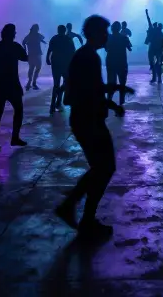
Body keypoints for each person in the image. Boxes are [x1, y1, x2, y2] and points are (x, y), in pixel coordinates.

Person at [56, 14, 133, 238]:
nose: (107, 36)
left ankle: (77, 211)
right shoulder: (88, 57)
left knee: (101, 168)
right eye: (104, 32)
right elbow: (91, 90)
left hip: (87, 118)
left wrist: (114, 95)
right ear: (95, 33)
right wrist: (114, 95)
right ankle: (80, 214)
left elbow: (92, 88)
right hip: (87, 120)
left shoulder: (87, 55)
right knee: (104, 167)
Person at [0, 24, 29, 151]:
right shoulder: (15, 46)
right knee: (18, 109)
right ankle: (15, 137)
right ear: (12, 34)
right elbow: (25, 58)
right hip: (12, 82)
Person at [48, 25, 75, 113]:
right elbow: (73, 51)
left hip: (55, 63)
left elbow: (50, 49)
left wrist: (47, 58)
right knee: (66, 82)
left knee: (56, 83)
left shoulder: (54, 38)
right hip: (65, 64)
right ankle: (58, 101)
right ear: (64, 30)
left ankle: (53, 105)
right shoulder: (68, 39)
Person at [105, 21, 132, 106]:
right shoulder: (124, 38)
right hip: (122, 62)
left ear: (112, 29)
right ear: (120, 28)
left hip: (111, 62)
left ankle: (109, 101)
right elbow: (129, 48)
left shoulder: (108, 37)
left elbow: (106, 48)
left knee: (111, 83)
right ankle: (121, 104)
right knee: (122, 84)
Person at [23, 24, 46, 90]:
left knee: (31, 68)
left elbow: (23, 42)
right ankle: (33, 82)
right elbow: (41, 38)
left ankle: (30, 82)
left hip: (31, 54)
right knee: (37, 68)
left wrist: (25, 49)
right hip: (37, 54)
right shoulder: (38, 35)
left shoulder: (29, 35)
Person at [145, 19, 163, 85]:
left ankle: (157, 78)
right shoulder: (159, 33)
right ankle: (157, 78)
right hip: (156, 50)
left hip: (155, 50)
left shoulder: (157, 32)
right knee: (156, 64)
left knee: (156, 64)